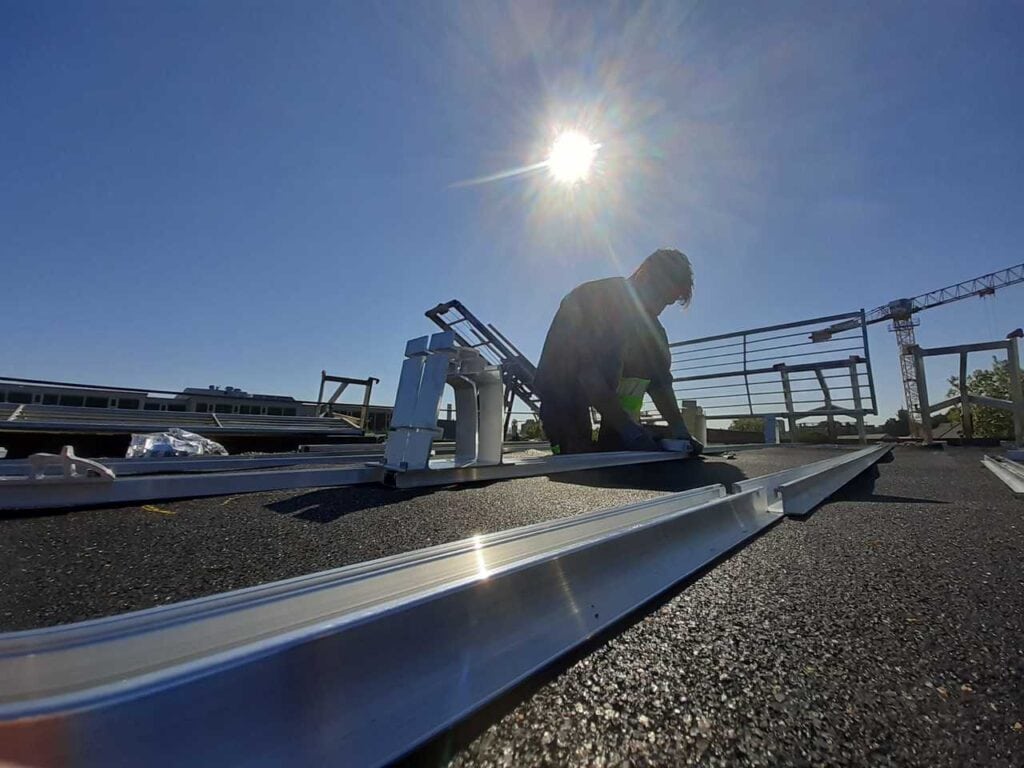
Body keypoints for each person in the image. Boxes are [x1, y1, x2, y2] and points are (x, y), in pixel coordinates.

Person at [534, 248, 703, 455]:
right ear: (643, 275)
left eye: (667, 303)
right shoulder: (593, 298)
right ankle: (610, 432)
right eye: (659, 296)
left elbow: (660, 384)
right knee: (576, 460)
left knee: (620, 458)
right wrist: (629, 431)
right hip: (563, 394)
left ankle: (617, 431)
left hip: (609, 397)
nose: (659, 308)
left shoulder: (653, 329)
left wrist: (680, 430)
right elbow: (588, 374)